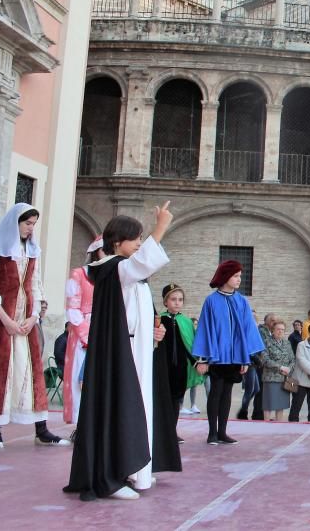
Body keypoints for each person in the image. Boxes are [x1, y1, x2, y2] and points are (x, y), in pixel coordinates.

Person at [64, 204, 180, 501]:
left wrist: (153, 331)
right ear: (117, 242)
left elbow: (135, 309)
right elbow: (143, 262)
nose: (140, 243)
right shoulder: (114, 268)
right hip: (121, 353)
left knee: (138, 408)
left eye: (142, 237)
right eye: (135, 238)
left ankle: (135, 470)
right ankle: (111, 476)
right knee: (122, 409)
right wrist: (161, 226)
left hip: (137, 349)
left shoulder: (128, 273)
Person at [0, 203, 68, 450]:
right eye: (27, 224)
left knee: (30, 374)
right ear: (15, 223)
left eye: (33, 225)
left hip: (25, 324)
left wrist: (33, 317)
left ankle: (41, 429)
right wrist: (7, 321)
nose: (30, 229)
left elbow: (36, 285)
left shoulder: (33, 251)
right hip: (0, 323)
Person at [192, 260, 266, 445]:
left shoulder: (241, 301)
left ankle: (223, 432)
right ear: (225, 277)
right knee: (215, 393)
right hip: (217, 357)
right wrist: (203, 358)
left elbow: (247, 330)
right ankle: (212, 433)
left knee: (227, 394)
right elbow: (205, 328)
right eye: (236, 276)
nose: (239, 279)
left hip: (235, 357)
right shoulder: (211, 300)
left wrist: (246, 358)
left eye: (240, 276)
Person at [62, 236, 104, 425]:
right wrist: (87, 336)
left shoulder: (111, 276)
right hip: (82, 334)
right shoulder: (79, 274)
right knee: (79, 378)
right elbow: (73, 308)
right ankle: (80, 424)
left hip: (104, 330)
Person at [159, 283, 204, 442]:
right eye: (173, 299)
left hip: (180, 368)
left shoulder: (186, 322)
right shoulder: (159, 320)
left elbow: (189, 346)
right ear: (165, 301)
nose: (177, 302)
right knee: (162, 400)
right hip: (163, 368)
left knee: (176, 400)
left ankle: (171, 432)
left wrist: (197, 362)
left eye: (180, 299)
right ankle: (161, 432)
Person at [258, 320, 294, 421]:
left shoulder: (287, 343)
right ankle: (266, 427)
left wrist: (289, 369)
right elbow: (265, 359)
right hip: (271, 378)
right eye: (278, 329)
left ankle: (279, 426)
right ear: (272, 330)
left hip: (284, 379)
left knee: (280, 405)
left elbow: (292, 359)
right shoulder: (266, 342)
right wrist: (280, 367)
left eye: (282, 330)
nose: (280, 331)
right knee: (269, 405)